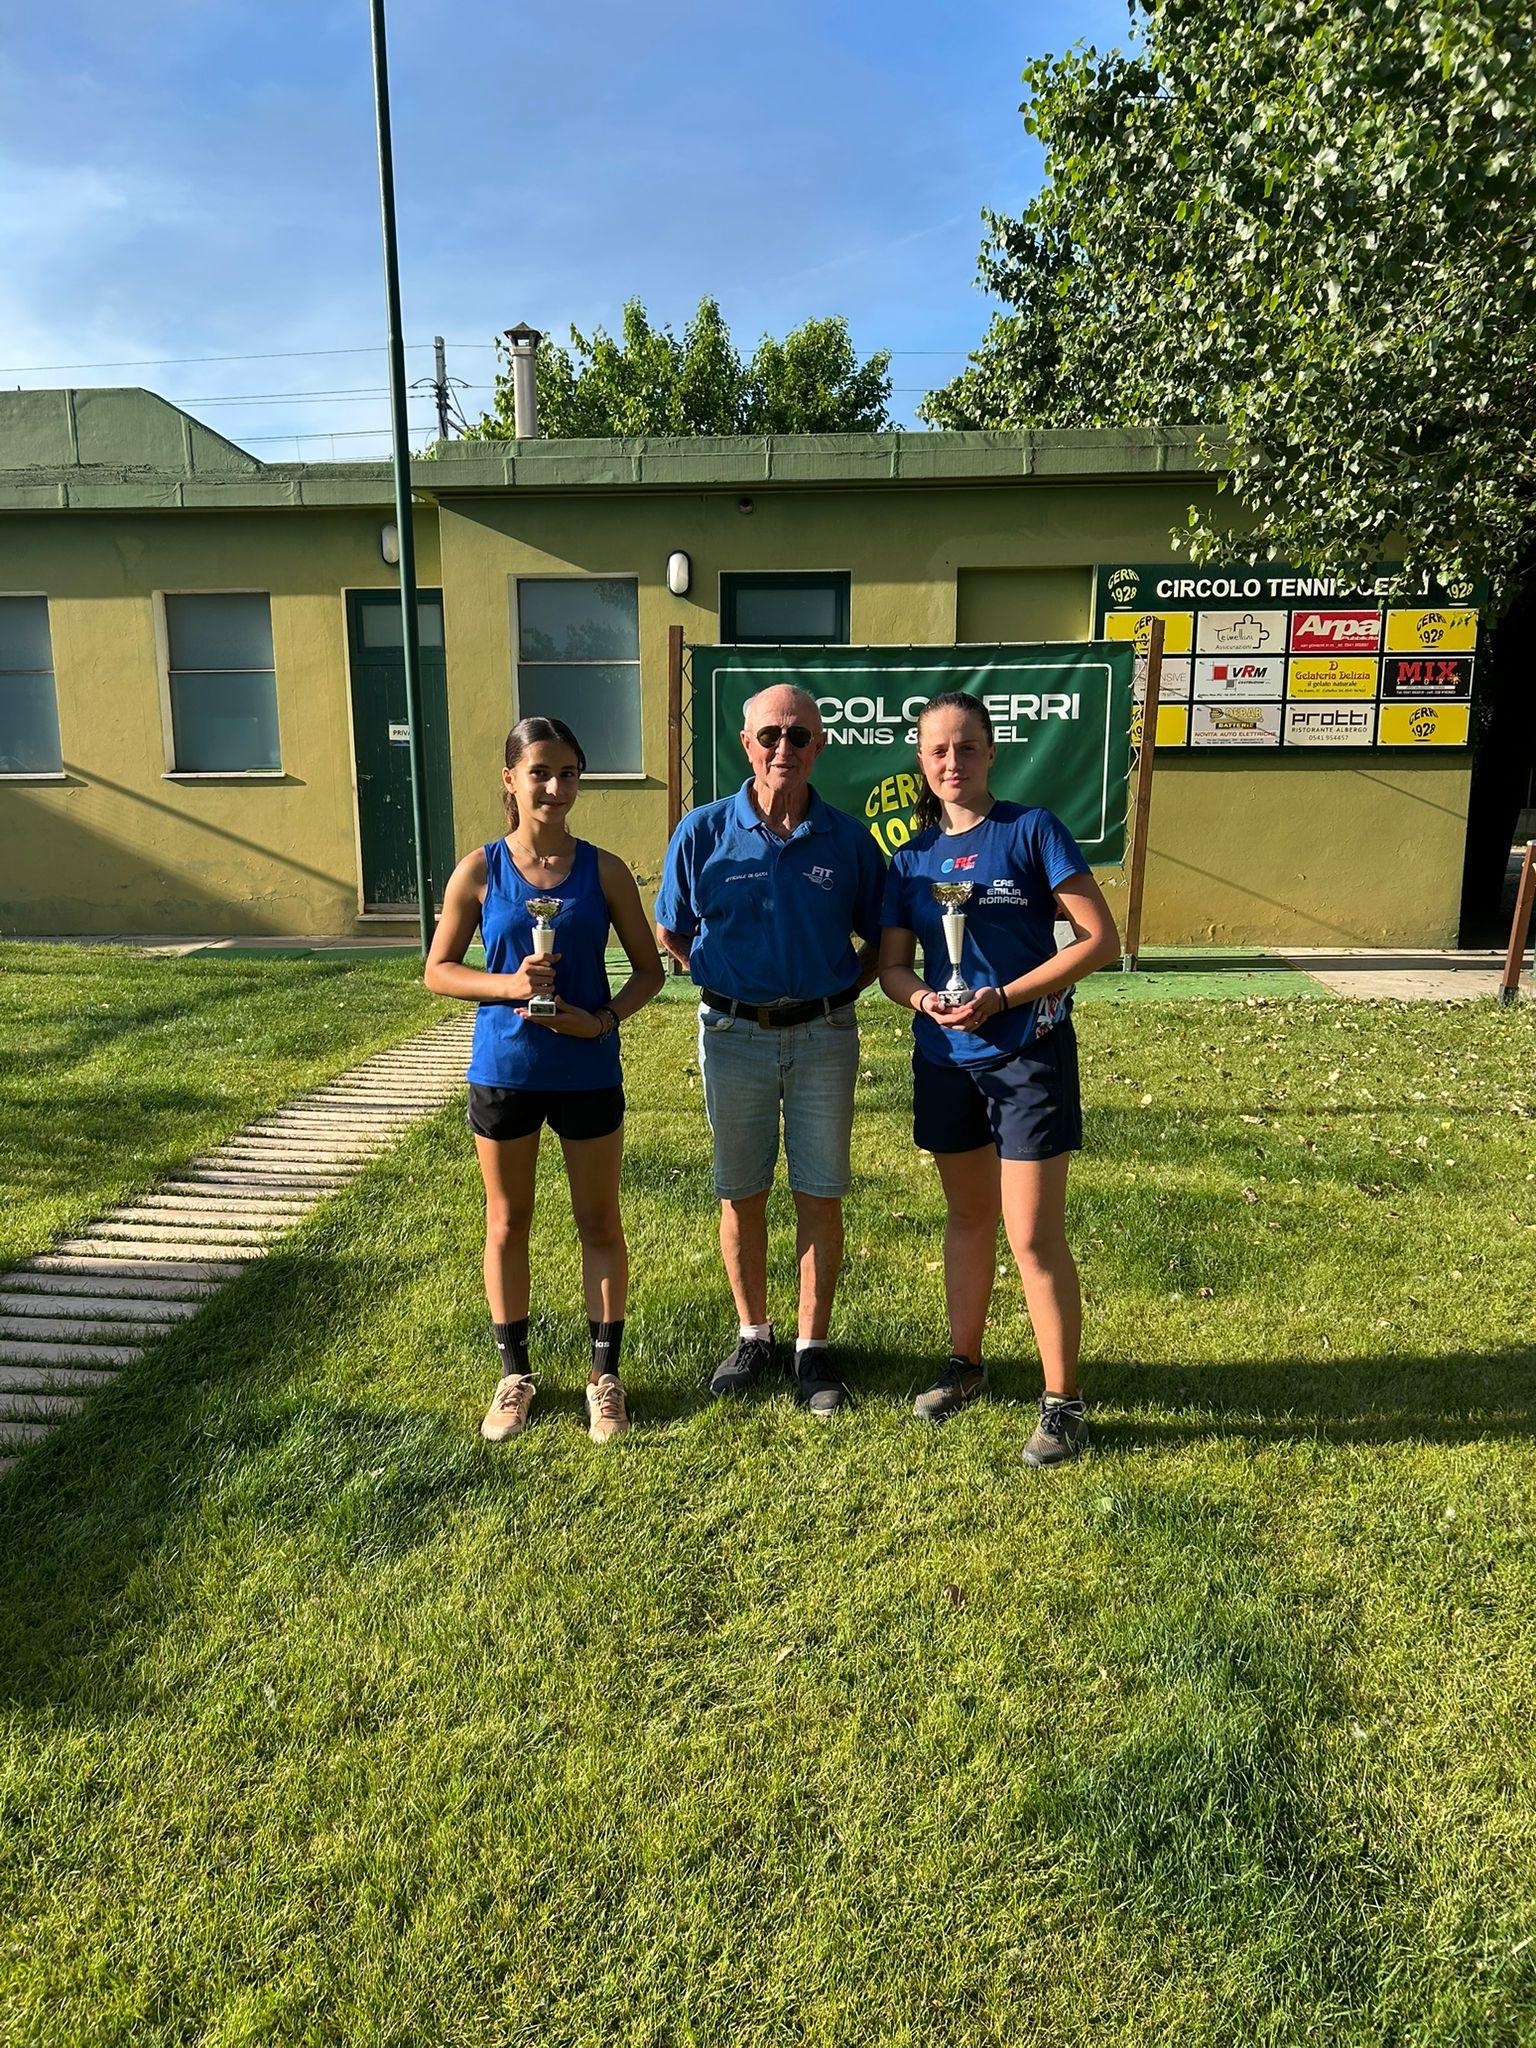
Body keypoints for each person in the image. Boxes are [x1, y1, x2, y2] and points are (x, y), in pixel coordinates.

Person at [877, 692, 1120, 1465]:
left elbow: (1099, 940)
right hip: (946, 1060)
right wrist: (921, 998)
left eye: (968, 748)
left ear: (992, 753)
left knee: (1033, 1235)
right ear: (921, 760)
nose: (953, 762)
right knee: (967, 1218)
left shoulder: (1032, 830)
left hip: (1027, 1057)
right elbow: (890, 966)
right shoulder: (909, 858)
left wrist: (1006, 997)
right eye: (938, 750)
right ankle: (966, 1365)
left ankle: (1063, 1402)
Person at [425, 716, 664, 1445]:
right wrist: (509, 985)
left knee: (599, 1222)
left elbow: (650, 971)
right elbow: (438, 971)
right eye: (539, 772)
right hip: (506, 1070)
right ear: (510, 780)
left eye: (567, 773)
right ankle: (515, 1376)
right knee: (508, 1221)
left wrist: (602, 1021)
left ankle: (604, 1377)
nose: (554, 787)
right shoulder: (480, 869)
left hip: (587, 1069)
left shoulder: (606, 870)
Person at [655, 684, 885, 1415]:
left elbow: (883, 937)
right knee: (740, 1189)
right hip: (732, 1039)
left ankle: (812, 1351)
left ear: (819, 746)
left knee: (820, 1191)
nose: (784, 748)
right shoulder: (702, 831)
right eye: (770, 736)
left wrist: (841, 990)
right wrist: (725, 983)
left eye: (799, 735)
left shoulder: (848, 841)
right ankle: (753, 1333)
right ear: (746, 745)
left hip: (824, 1038)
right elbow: (672, 927)